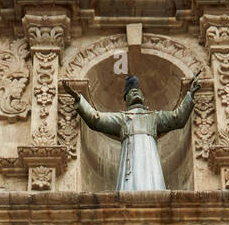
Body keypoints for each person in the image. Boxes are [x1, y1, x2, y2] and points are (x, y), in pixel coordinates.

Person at [60, 73, 200, 192]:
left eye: (138, 91)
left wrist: (190, 95)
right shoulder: (122, 118)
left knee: (152, 179)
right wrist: (79, 99)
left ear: (143, 98)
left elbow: (178, 118)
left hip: (150, 155)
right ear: (126, 100)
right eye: (131, 92)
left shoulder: (154, 116)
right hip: (130, 158)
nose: (136, 92)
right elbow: (96, 119)